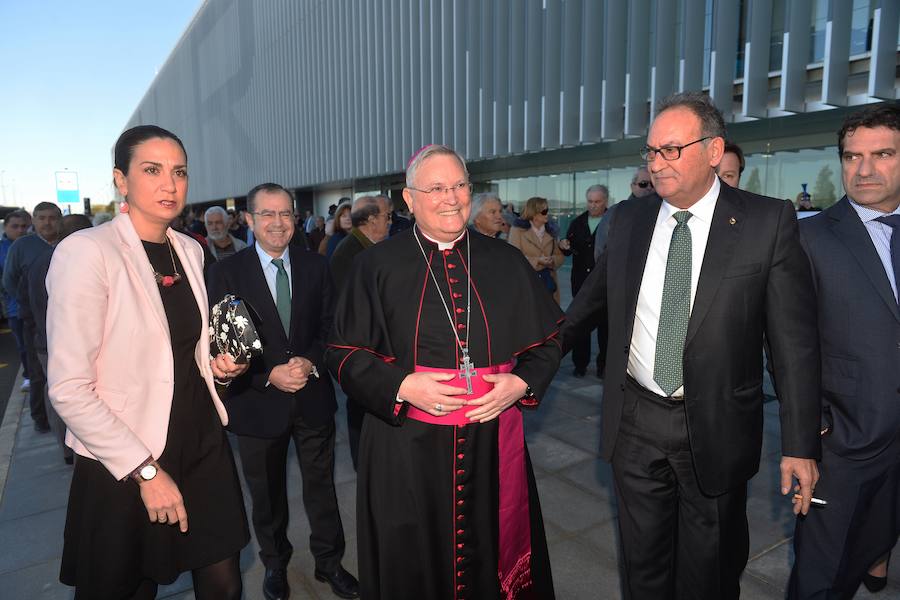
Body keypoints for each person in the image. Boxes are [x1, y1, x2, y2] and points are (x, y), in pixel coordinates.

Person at [561, 92, 821, 599]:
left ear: (713, 150)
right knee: (644, 567)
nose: (656, 164)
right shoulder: (630, 219)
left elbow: (793, 345)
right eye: (651, 151)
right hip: (635, 421)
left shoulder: (767, 222)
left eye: (671, 150)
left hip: (717, 425)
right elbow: (582, 311)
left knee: (710, 572)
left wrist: (799, 443)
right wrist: (524, 368)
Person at [326, 144, 561, 599]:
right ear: (409, 199)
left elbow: (549, 340)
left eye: (459, 186)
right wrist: (401, 385)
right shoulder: (375, 265)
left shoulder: (505, 260)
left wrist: (520, 382)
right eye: (436, 188)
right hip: (405, 448)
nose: (451, 198)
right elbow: (341, 352)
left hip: (491, 442)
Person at [46, 125, 250, 599]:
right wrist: (146, 471)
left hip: (201, 440)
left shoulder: (190, 249)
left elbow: (181, 350)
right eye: (152, 170)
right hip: (124, 451)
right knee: (126, 587)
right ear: (121, 180)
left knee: (224, 580)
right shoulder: (87, 252)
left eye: (179, 172)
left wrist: (218, 367)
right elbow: (68, 388)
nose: (169, 184)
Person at [207, 183, 358, 600]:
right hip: (257, 403)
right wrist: (266, 375)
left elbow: (331, 327)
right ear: (249, 220)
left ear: (295, 218)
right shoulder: (225, 273)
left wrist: (310, 361)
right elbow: (222, 343)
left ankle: (330, 562)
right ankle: (275, 564)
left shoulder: (317, 266)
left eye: (285, 213)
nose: (278, 223)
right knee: (267, 495)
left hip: (313, 397)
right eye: (267, 214)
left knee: (322, 488)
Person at [788, 103, 900, 599]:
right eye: (852, 157)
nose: (864, 169)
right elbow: (787, 343)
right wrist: (812, 428)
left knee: (880, 533)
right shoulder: (808, 237)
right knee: (822, 575)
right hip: (846, 440)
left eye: (883, 154)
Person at [329, 194, 392, 469]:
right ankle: (364, 464)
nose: (390, 222)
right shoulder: (352, 252)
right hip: (362, 346)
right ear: (371, 220)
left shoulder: (366, 246)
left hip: (371, 343)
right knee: (360, 410)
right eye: (387, 216)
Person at [27, 214, 93, 465]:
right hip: (73, 341)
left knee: (57, 394)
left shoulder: (40, 260)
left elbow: (24, 299)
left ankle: (67, 450)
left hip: (45, 341)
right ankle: (83, 450)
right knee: (79, 395)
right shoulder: (81, 259)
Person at [4, 201, 62, 432]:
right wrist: (27, 307)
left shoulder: (68, 243)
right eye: (42, 218)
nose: (47, 223)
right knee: (37, 372)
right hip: (32, 320)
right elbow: (9, 280)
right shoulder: (22, 246)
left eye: (52, 218)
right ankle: (40, 418)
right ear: (34, 221)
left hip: (63, 321)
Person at [559, 185, 608, 377]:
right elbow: (568, 247)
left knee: (606, 328)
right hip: (581, 283)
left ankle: (604, 367)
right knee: (580, 324)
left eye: (597, 202)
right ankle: (580, 365)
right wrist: (563, 246)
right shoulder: (577, 222)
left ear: (605, 201)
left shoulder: (613, 220)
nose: (593, 205)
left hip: (605, 282)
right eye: (590, 201)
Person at [508, 196, 565, 304]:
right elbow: (514, 258)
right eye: (544, 211)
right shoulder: (517, 230)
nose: (547, 214)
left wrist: (552, 260)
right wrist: (537, 261)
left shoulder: (551, 231)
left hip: (548, 284)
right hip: (527, 283)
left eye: (548, 210)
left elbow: (560, 256)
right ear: (534, 213)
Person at [594, 167, 658, 262]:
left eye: (653, 184)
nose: (649, 188)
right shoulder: (616, 211)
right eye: (643, 184)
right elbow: (601, 249)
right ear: (632, 186)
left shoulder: (664, 211)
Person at [0, 209, 31, 391]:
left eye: (24, 226)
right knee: (23, 344)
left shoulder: (33, 244)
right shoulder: (1, 248)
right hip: (13, 307)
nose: (20, 230)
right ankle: (28, 375)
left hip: (36, 306)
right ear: (6, 227)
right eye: (15, 226)